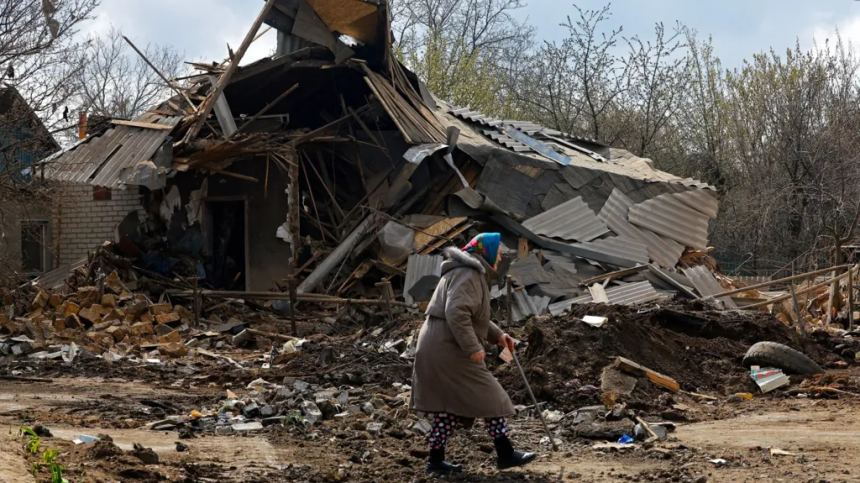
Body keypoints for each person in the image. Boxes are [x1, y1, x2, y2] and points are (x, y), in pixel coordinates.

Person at [410, 233, 537, 474]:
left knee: (448, 405)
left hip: (439, 343)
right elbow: (457, 313)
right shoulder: (469, 274)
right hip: (449, 347)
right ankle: (505, 454)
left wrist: (498, 336)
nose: (500, 258)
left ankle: (435, 461)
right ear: (485, 252)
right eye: (497, 253)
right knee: (491, 396)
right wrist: (473, 348)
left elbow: (473, 316)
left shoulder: (464, 272)